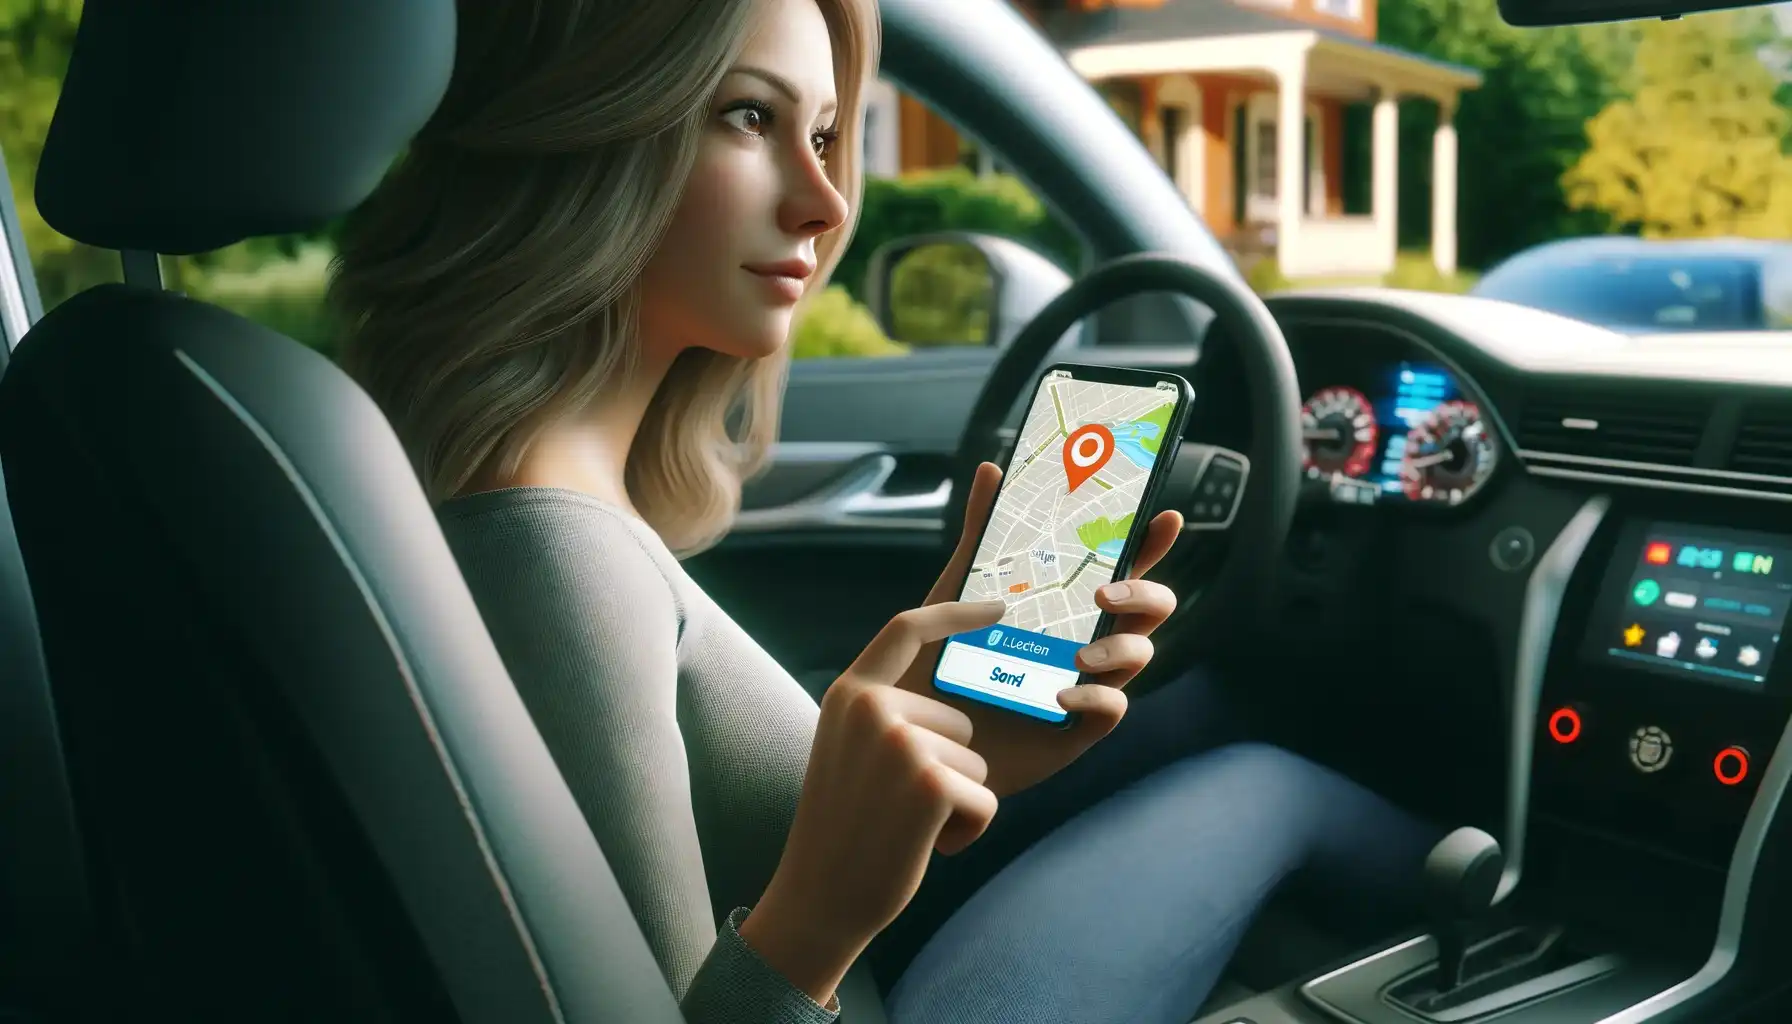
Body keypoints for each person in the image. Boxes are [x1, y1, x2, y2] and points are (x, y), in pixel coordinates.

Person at [329, 0, 1442, 1021]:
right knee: (1268, 782)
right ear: (581, 125)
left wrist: (938, 758)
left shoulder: (486, 490)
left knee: (1203, 721)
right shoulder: (551, 550)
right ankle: (1529, 909)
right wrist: (821, 911)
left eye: (820, 135)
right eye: (746, 117)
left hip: (862, 965)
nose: (824, 203)